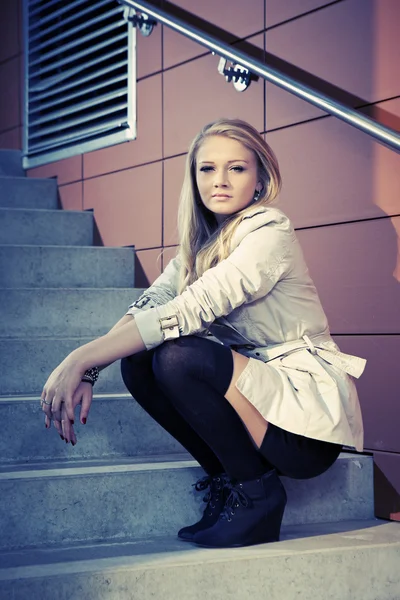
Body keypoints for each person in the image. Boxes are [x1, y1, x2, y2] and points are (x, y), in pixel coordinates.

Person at [41, 117, 366, 549]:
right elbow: (148, 306)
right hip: (257, 402)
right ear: (193, 178)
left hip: (304, 430)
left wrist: (80, 359)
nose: (220, 181)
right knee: (138, 359)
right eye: (207, 169)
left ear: (260, 177)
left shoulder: (270, 232)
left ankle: (259, 496)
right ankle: (229, 482)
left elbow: (191, 309)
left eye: (237, 168)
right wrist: (91, 366)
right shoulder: (198, 248)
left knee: (179, 356)